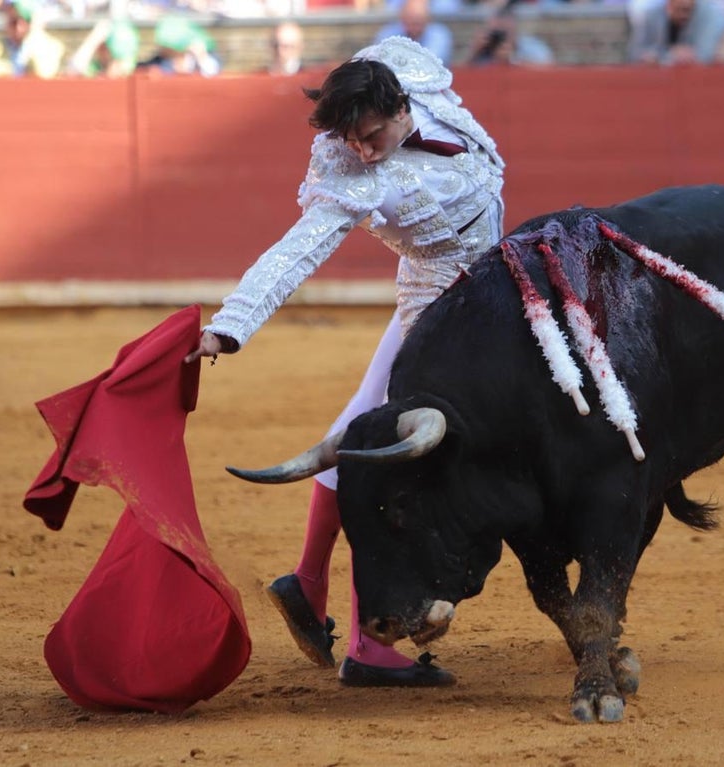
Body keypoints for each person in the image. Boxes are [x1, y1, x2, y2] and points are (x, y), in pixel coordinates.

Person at [183, 36, 505, 687]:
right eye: (350, 138)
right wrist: (229, 328)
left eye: (371, 133)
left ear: (400, 105)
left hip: (492, 289)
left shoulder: (406, 68)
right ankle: (367, 641)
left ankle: (308, 580)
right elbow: (293, 252)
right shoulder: (347, 175)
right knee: (383, 448)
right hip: (435, 315)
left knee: (363, 429)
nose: (360, 149)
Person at [0, 0, 66, 78]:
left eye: (22, 21)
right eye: (13, 21)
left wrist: (32, 38)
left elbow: (45, 72)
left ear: (30, 23)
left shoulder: (50, 45)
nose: (17, 27)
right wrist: (12, 70)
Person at [626, 0, 724, 66]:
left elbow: (703, 55)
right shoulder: (652, 14)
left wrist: (661, 58)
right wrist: (666, 57)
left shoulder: (712, 15)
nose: (682, 15)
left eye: (686, 10)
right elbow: (634, 53)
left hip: (699, 81)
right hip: (657, 81)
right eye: (678, 9)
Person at [465, 7, 555, 66]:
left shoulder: (532, 46)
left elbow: (548, 68)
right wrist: (474, 52)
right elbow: (458, 78)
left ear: (514, 30)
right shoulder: (482, 51)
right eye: (496, 33)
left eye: (504, 33)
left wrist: (512, 60)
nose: (500, 39)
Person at [374, 0, 454, 66]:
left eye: (417, 22)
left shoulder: (440, 35)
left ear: (427, 20)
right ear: (402, 19)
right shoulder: (388, 33)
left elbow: (431, 62)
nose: (413, 27)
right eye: (409, 21)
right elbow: (380, 59)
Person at [137, 16, 222, 77]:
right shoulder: (159, 60)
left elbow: (213, 74)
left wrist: (202, 56)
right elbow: (143, 68)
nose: (163, 49)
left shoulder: (201, 58)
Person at [68, 18, 140, 77]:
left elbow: (74, 71)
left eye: (102, 46)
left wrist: (93, 39)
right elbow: (73, 71)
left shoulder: (132, 70)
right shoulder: (96, 68)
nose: (98, 49)